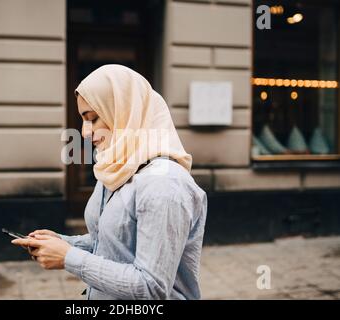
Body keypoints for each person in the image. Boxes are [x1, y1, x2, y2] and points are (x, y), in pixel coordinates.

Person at [11, 64, 207, 300]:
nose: (84, 132)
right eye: (83, 119)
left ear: (126, 113)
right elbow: (114, 241)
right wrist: (62, 243)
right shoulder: (117, 167)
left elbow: (151, 287)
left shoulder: (165, 184)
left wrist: (68, 257)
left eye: (93, 119)